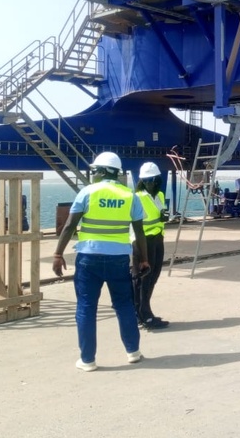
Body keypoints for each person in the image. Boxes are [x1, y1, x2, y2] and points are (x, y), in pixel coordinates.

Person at [52, 152, 149, 372]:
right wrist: (143, 259)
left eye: (95, 170)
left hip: (89, 260)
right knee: (124, 305)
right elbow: (139, 232)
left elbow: (69, 225)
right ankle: (133, 352)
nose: (93, 174)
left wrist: (58, 255)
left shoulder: (87, 192)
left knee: (86, 307)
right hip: (118, 261)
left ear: (103, 171)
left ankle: (87, 360)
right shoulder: (130, 196)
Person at [134, 162, 170, 330]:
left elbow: (160, 214)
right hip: (143, 241)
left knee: (153, 277)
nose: (149, 183)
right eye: (146, 180)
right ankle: (144, 315)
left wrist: (164, 217)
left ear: (157, 180)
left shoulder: (160, 195)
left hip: (157, 239)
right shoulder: (137, 197)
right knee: (143, 279)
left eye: (151, 180)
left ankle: (143, 312)